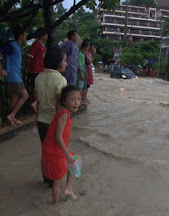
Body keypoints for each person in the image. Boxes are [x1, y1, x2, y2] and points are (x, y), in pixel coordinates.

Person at [42, 85, 81, 204]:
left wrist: (68, 155)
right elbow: (58, 137)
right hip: (53, 152)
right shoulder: (64, 114)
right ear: (64, 101)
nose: (76, 103)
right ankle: (55, 206)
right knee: (57, 182)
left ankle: (68, 188)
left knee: (76, 159)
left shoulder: (66, 113)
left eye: (79, 99)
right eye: (72, 99)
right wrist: (66, 154)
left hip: (57, 150)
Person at [35, 46, 67, 185]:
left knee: (45, 151)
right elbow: (59, 105)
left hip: (41, 120)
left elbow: (38, 99)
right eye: (65, 60)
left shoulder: (39, 77)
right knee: (56, 154)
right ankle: (54, 184)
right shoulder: (60, 80)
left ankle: (46, 179)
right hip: (54, 122)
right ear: (58, 62)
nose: (66, 63)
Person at [0, 26, 29, 126]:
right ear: (21, 36)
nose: (26, 36)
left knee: (23, 95)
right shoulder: (12, 46)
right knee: (16, 97)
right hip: (12, 75)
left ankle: (11, 116)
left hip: (16, 75)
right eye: (25, 34)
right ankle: (10, 117)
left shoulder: (16, 45)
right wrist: (1, 70)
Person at [26, 28, 48, 102]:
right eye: (46, 34)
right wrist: (28, 67)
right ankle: (34, 103)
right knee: (35, 88)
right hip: (35, 70)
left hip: (40, 69)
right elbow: (30, 56)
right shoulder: (36, 44)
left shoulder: (42, 45)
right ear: (42, 35)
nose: (47, 36)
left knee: (38, 87)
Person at [78, 39, 90, 107]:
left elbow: (82, 65)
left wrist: (85, 74)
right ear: (85, 47)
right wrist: (81, 75)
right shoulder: (80, 54)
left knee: (82, 88)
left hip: (82, 72)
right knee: (79, 88)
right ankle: (79, 102)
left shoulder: (82, 54)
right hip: (79, 74)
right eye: (88, 46)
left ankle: (81, 101)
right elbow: (79, 66)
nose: (89, 48)